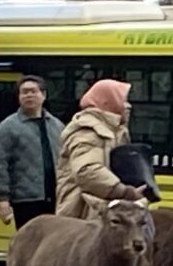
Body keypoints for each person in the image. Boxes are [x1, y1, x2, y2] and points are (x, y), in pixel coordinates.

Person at [56, 78, 141, 219]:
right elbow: (87, 171)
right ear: (108, 102)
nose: (128, 106)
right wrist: (124, 192)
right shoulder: (88, 131)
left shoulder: (115, 129)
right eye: (123, 100)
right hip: (83, 216)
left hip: (101, 216)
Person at [0, 77, 63, 234]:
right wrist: (3, 199)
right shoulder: (8, 127)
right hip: (26, 198)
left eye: (33, 91)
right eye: (24, 92)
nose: (29, 95)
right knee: (30, 243)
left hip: (57, 196)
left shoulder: (56, 125)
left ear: (43, 95)